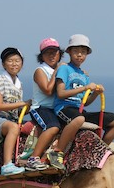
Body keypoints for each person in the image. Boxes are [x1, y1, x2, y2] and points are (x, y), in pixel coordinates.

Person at [54, 34, 114, 164]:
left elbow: (85, 102)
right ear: (69, 52)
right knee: (79, 119)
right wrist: (85, 88)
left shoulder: (83, 75)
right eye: (76, 51)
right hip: (64, 107)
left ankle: (99, 151)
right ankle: (57, 152)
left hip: (79, 111)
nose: (79, 55)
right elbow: (60, 93)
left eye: (83, 52)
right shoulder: (64, 68)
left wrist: (96, 93)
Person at [26, 38, 85, 171]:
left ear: (60, 54)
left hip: (56, 108)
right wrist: (57, 71)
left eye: (55, 52)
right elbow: (48, 90)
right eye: (48, 53)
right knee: (53, 127)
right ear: (42, 56)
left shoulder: (64, 69)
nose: (52, 55)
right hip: (41, 108)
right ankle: (33, 159)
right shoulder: (40, 70)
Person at [0, 47, 32, 176]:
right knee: (13, 128)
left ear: (22, 63)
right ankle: (7, 165)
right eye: (10, 61)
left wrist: (30, 107)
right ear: (3, 64)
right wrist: (23, 103)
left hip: (11, 119)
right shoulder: (0, 80)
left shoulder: (18, 84)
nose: (14, 64)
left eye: (17, 61)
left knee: (33, 127)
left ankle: (28, 159)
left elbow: (16, 110)